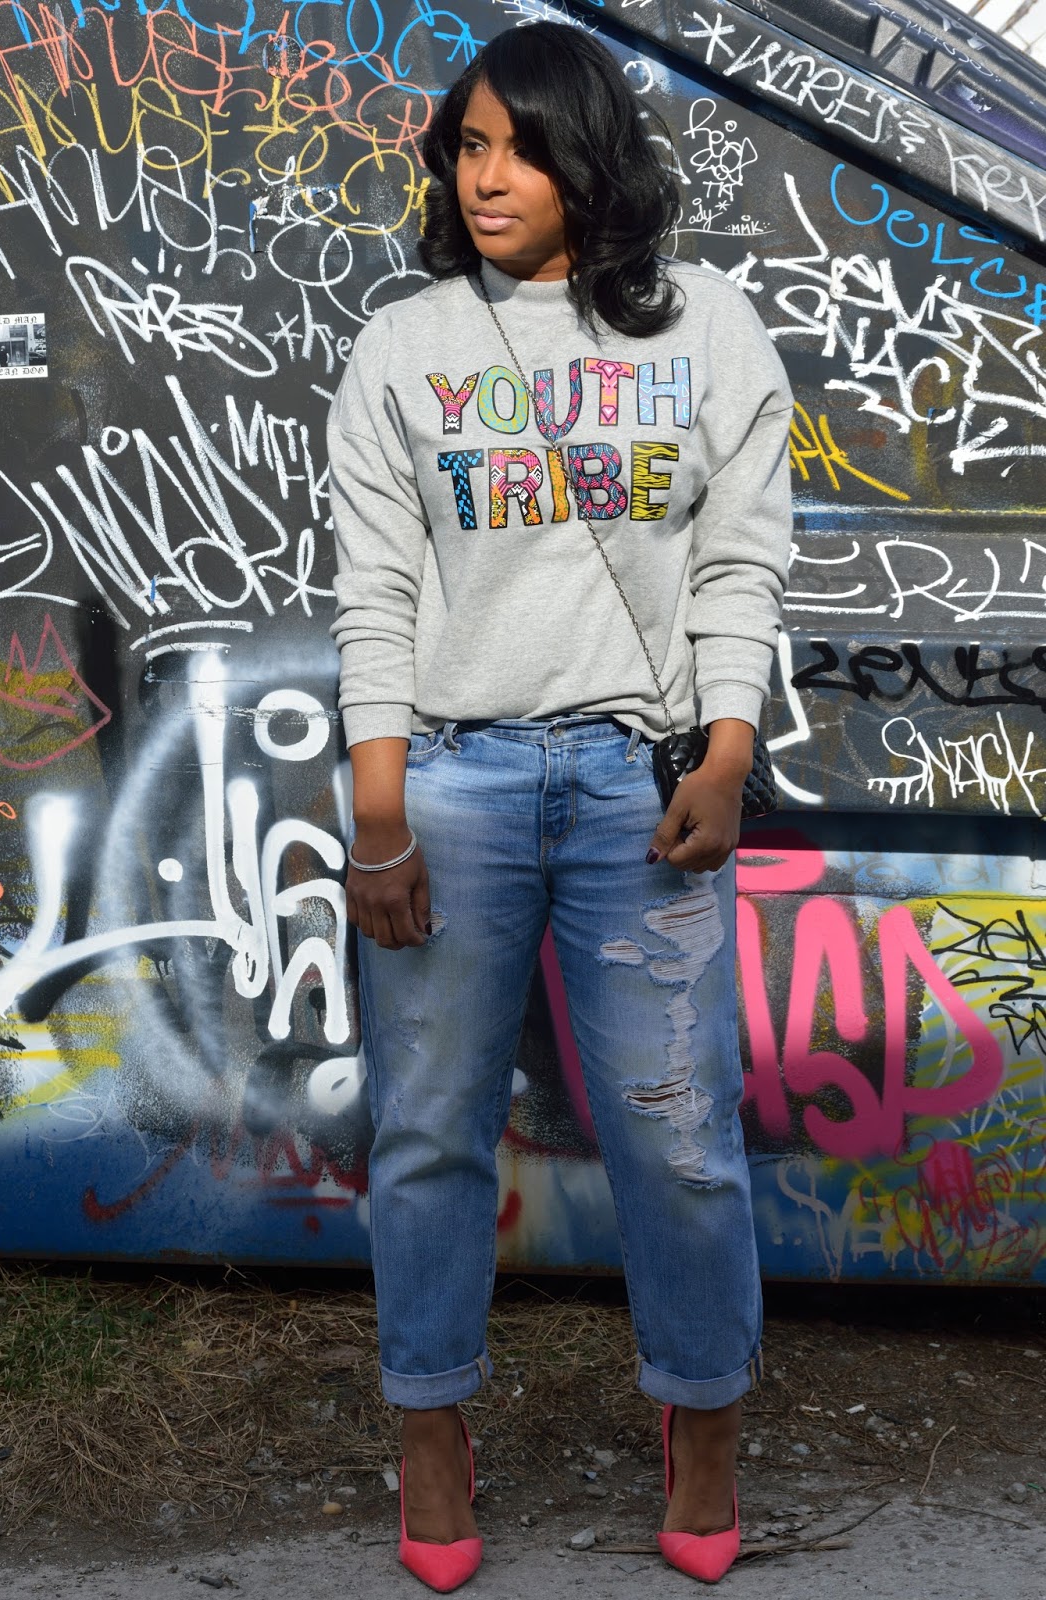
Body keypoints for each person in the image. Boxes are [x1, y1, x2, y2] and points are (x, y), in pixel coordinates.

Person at [328, 21, 793, 1591]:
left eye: (521, 147)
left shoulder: (706, 330)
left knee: (679, 1137)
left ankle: (703, 1420)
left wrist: (724, 755)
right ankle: (430, 1432)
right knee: (427, 1134)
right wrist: (379, 814)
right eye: (467, 146)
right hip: (449, 781)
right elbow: (377, 593)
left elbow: (740, 561)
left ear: (590, 159)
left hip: (636, 787)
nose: (486, 177)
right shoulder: (406, 346)